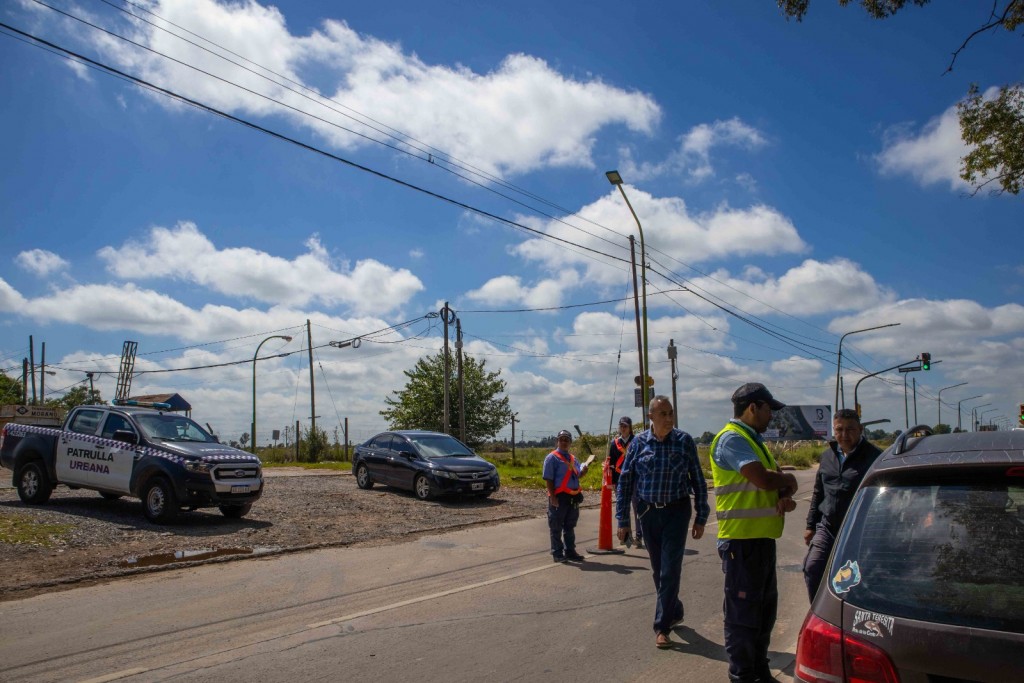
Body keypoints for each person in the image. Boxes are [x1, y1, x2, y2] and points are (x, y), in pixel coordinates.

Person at [710, 383, 799, 683]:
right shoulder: (732, 439)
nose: (770, 416)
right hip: (741, 542)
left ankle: (759, 669)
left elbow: (771, 485)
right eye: (767, 409)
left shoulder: (753, 440)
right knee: (743, 619)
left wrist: (782, 493)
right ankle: (742, 676)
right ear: (752, 408)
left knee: (763, 614)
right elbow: (762, 478)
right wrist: (787, 479)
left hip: (759, 540)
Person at [616, 396, 709, 649]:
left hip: (677, 512)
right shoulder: (637, 444)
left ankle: (662, 627)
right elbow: (625, 482)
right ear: (651, 418)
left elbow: (698, 480)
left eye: (671, 413)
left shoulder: (684, 441)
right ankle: (674, 608)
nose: (669, 419)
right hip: (648, 513)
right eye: (663, 414)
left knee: (670, 570)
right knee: (659, 570)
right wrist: (623, 520)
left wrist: (701, 516)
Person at [802, 408, 882, 601]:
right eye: (839, 430)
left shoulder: (875, 457)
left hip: (860, 530)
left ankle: (845, 616)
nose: (844, 435)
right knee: (812, 568)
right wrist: (810, 525)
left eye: (850, 429)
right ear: (833, 430)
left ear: (860, 429)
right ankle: (818, 612)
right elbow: (818, 492)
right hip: (828, 526)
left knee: (850, 578)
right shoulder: (827, 456)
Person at [543, 429, 591, 563]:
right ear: (557, 441)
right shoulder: (551, 458)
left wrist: (584, 471)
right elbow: (549, 479)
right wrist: (552, 497)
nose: (564, 442)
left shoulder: (573, 458)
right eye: (561, 439)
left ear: (570, 442)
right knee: (556, 526)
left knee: (570, 526)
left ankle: (570, 551)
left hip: (573, 496)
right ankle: (557, 553)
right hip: (559, 496)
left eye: (566, 440)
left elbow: (577, 475)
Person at [607, 415, 642, 548]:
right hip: (620, 479)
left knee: (638, 509)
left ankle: (639, 536)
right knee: (623, 508)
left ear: (630, 427)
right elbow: (612, 463)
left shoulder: (636, 441)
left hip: (634, 479)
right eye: (621, 426)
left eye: (625, 426)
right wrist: (612, 481)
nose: (623, 428)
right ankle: (626, 536)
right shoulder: (614, 443)